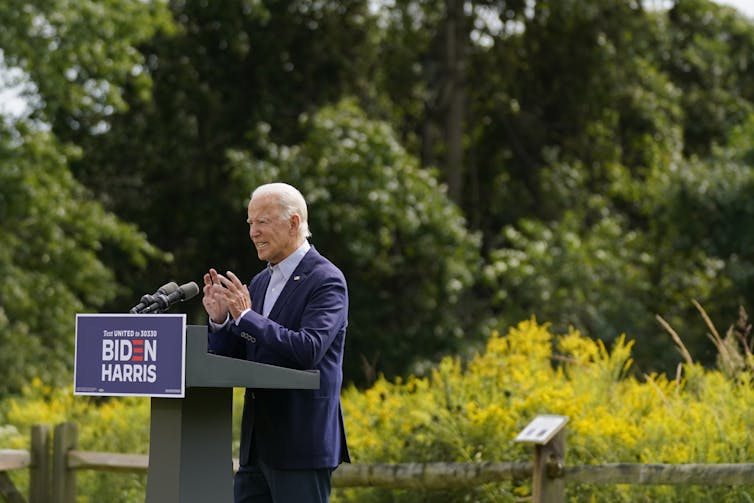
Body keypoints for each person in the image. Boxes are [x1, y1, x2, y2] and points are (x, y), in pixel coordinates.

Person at [201, 182, 350, 503]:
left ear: (294, 223)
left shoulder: (327, 280)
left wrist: (246, 317)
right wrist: (221, 320)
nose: (254, 232)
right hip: (256, 449)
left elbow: (307, 349)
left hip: (300, 447)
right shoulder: (260, 280)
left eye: (262, 222)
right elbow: (241, 355)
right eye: (250, 223)